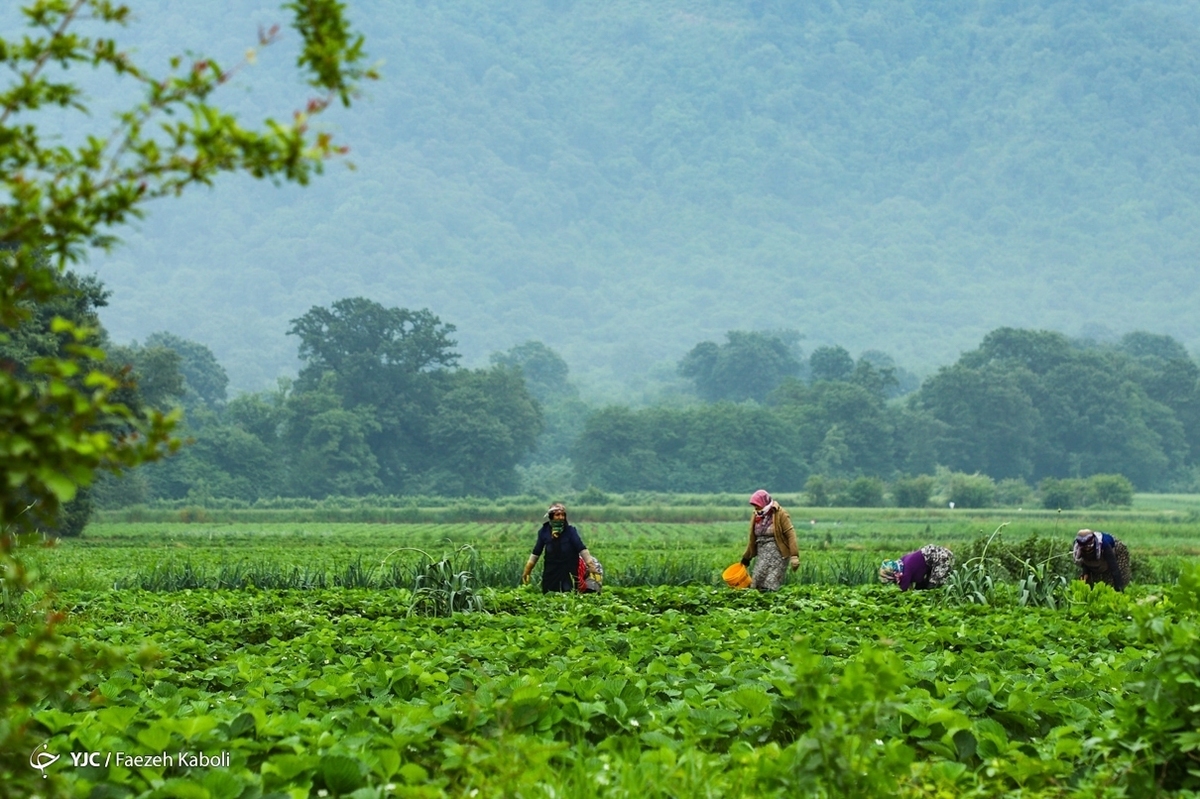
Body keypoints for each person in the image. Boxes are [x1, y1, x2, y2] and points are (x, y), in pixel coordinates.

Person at [522, 503, 601, 593]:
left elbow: (581, 548)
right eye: (557, 515)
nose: (561, 517)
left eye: (563, 515)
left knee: (569, 593)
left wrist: (591, 565)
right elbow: (536, 552)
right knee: (549, 595)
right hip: (551, 571)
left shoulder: (570, 531)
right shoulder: (544, 532)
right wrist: (527, 570)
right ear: (551, 516)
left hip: (569, 570)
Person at [739, 489, 799, 591]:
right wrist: (746, 557)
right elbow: (752, 538)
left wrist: (794, 556)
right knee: (757, 579)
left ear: (764, 502)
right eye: (754, 506)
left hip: (778, 554)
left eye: (757, 505)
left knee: (771, 582)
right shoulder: (756, 515)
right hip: (763, 553)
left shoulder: (780, 514)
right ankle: (761, 604)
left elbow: (790, 534)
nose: (756, 508)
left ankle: (771, 603)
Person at [879, 545, 956, 591]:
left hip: (940, 559)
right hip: (931, 555)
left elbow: (903, 592)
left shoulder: (905, 573)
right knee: (921, 588)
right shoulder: (901, 562)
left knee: (932, 588)